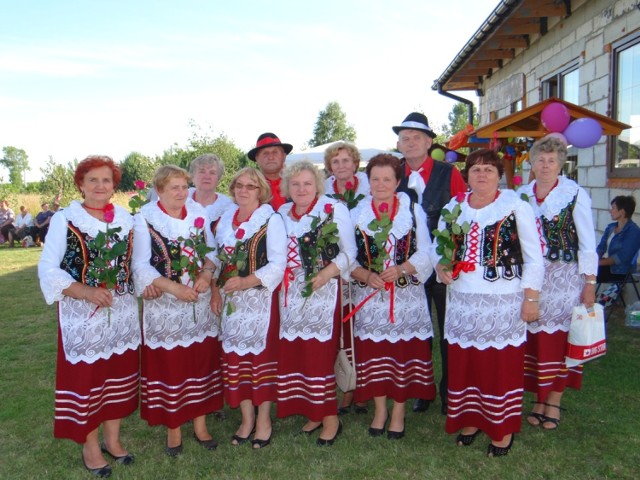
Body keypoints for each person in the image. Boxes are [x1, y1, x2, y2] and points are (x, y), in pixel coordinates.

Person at [433, 149, 543, 457]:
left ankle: (502, 429)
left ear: (499, 176)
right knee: (465, 362)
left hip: (503, 300)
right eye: (476, 169)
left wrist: (530, 297)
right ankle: (470, 420)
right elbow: (437, 246)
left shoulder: (514, 205)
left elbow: (534, 256)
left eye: (489, 170)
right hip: (463, 300)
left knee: (499, 365)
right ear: (467, 174)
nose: (481, 174)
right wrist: (441, 265)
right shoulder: (454, 206)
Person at [38, 155, 140, 478]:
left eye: (106, 180)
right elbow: (48, 268)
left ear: (114, 186)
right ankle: (90, 446)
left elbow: (135, 264)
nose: (100, 186)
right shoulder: (64, 219)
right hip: (82, 313)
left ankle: (113, 439)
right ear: (80, 184)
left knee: (116, 374)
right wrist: (85, 292)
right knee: (88, 379)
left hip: (119, 312)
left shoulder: (126, 219)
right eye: (92, 179)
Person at [132, 165, 222, 457]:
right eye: (174, 188)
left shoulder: (199, 215)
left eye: (184, 187)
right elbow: (141, 265)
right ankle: (173, 427)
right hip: (165, 304)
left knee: (199, 361)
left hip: (197, 299)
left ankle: (200, 423)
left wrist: (206, 276)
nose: (181, 193)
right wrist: (173, 289)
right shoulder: (146, 218)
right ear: (158, 190)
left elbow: (211, 253)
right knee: (171, 365)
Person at [350, 154, 436, 440]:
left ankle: (398, 412)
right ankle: (379, 411)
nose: (381, 184)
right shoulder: (356, 213)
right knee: (374, 355)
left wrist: (401, 268)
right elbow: (347, 256)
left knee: (401, 355)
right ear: (368, 181)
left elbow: (427, 252)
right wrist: (364, 274)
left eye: (387, 179)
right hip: (370, 298)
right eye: (375, 179)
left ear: (398, 181)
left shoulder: (412, 210)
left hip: (405, 296)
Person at [519, 136, 598, 430]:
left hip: (564, 278)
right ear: (532, 162)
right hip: (533, 280)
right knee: (536, 341)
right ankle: (539, 399)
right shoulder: (522, 194)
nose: (545, 165)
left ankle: (553, 400)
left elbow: (588, 242)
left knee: (558, 341)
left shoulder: (574, 194)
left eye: (552, 160)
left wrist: (590, 282)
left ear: (560, 164)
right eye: (540, 159)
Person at [277, 160, 357, 446]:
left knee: (319, 354)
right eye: (295, 184)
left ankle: (331, 417)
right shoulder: (282, 213)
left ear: (318, 186)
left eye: (307, 183)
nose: (301, 189)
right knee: (297, 353)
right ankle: (314, 412)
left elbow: (350, 252)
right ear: (287, 187)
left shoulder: (333, 209)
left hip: (324, 291)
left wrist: (326, 273)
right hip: (289, 293)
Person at [393, 112, 467, 415]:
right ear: (398, 143)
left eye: (416, 138)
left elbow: (463, 215)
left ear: (428, 142)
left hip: (443, 265)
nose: (409, 143)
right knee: (416, 331)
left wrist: (451, 259)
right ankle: (420, 388)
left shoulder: (447, 171)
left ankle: (451, 390)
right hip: (408, 266)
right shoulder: (393, 172)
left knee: (449, 329)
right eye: (404, 138)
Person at [211, 167, 286, 449]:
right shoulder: (222, 222)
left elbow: (278, 264)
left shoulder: (271, 219)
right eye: (239, 185)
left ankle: (264, 420)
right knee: (236, 361)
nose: (243, 190)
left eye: (250, 186)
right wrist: (216, 292)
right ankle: (246, 419)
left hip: (260, 300)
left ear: (261, 191)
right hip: (232, 303)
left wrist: (245, 282)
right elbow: (215, 261)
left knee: (261, 361)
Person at [322, 141, 370, 415]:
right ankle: (344, 384)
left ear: (355, 163)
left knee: (359, 328)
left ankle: (358, 391)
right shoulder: (324, 191)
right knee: (341, 326)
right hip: (336, 263)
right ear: (330, 167)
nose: (341, 166)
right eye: (336, 162)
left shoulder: (367, 188)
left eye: (346, 160)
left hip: (363, 262)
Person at [596, 195, 640, 305]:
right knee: (581, 270)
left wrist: (597, 263)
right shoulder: (610, 227)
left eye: (614, 208)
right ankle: (590, 302)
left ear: (622, 211)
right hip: (604, 266)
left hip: (620, 270)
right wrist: (592, 258)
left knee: (587, 273)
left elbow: (622, 258)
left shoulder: (634, 232)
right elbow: (600, 248)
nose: (610, 211)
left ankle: (598, 303)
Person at [188, 153, 234, 231]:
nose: (207, 176)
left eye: (212, 173)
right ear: (192, 177)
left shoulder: (228, 207)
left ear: (218, 179)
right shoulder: (181, 200)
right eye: (202, 171)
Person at [247, 132, 293, 210]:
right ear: (257, 158)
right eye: (265, 153)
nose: (271, 157)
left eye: (275, 152)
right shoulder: (248, 187)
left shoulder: (298, 183)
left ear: (284, 156)